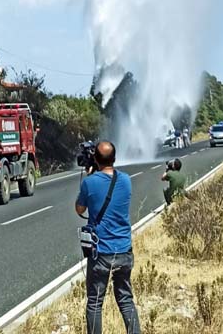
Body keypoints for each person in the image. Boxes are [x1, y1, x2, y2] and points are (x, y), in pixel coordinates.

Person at [75, 140, 140, 334]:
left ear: (95, 159)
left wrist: (88, 177)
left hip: (100, 252)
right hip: (124, 249)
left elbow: (80, 209)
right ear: (115, 159)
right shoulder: (126, 180)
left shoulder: (89, 182)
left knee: (95, 302)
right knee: (126, 299)